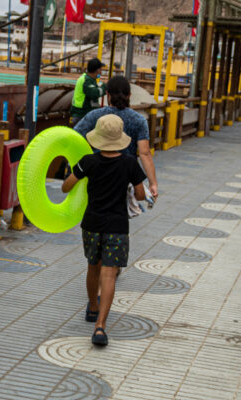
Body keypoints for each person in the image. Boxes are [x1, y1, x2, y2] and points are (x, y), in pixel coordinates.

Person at [62, 114, 147, 346]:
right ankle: (100, 326)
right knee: (109, 274)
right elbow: (141, 195)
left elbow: (65, 186)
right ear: (121, 138)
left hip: (92, 223)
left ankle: (92, 306)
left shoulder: (88, 161)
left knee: (93, 266)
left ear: (97, 138)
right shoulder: (130, 163)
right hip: (117, 225)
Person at [73, 75, 158, 199]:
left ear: (107, 94)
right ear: (129, 95)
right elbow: (145, 153)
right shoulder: (139, 120)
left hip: (96, 176)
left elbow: (75, 137)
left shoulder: (94, 116)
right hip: (124, 178)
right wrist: (153, 183)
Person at [70, 58, 106, 127]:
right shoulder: (86, 80)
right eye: (101, 69)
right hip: (81, 114)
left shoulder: (90, 79)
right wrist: (104, 87)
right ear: (97, 70)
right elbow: (94, 93)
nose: (101, 71)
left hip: (84, 114)